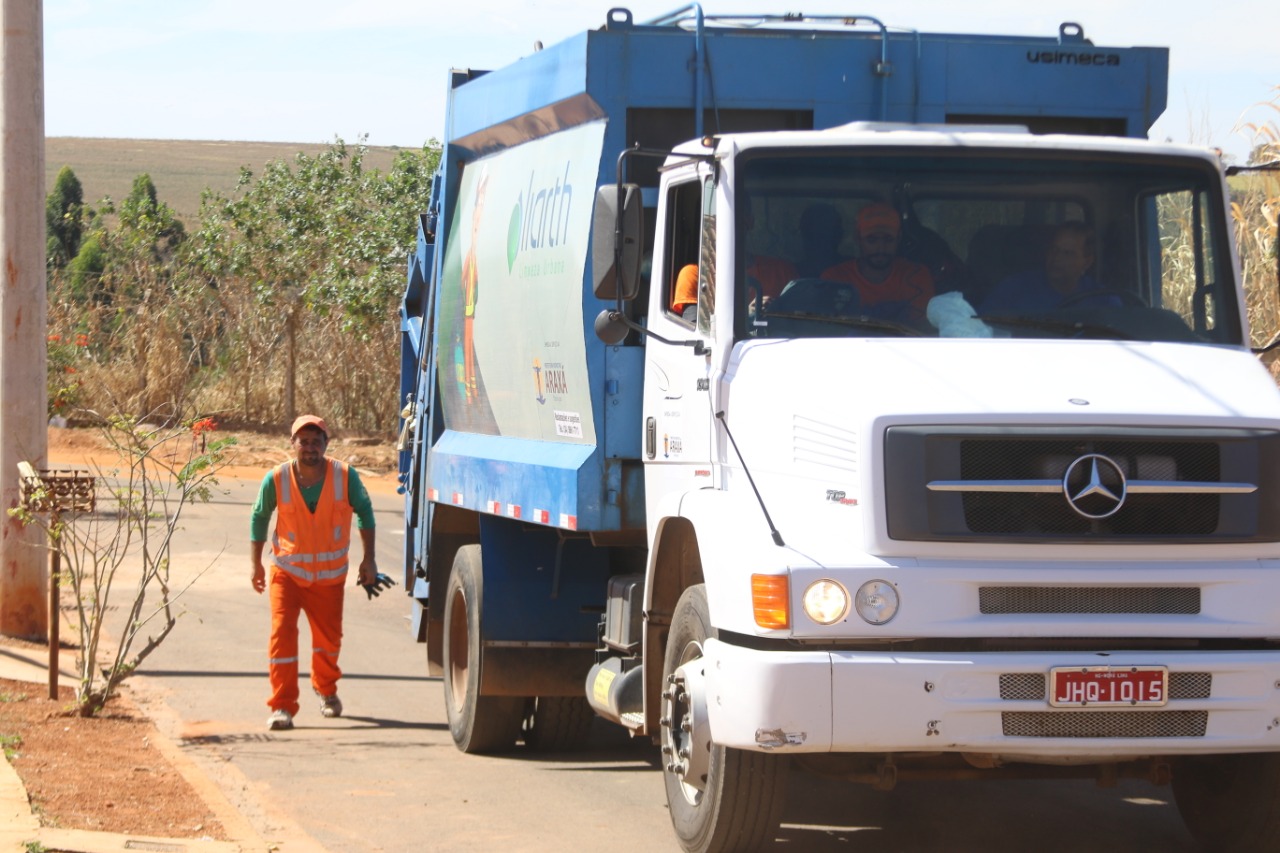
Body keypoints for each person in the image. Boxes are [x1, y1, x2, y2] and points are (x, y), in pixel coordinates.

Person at [250, 414, 379, 732]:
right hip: (287, 573)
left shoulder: (345, 476)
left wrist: (369, 559)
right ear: (292, 444)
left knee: (328, 642)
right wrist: (255, 564)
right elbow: (259, 517)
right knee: (282, 635)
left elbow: (364, 512)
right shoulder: (276, 478)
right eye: (303, 441)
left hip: (329, 579)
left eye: (316, 441)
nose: (310, 447)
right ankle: (282, 706)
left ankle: (326, 688)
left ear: (326, 444)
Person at [821, 202, 935, 324]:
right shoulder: (835, 278)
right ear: (857, 238)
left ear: (899, 238)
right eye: (872, 240)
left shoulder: (916, 276)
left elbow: (922, 333)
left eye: (888, 239)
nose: (881, 248)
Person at [978, 222, 1115, 314]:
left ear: (1087, 262)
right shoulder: (1013, 289)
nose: (1056, 257)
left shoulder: (1104, 299)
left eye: (1067, 253)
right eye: (1053, 249)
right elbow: (982, 330)